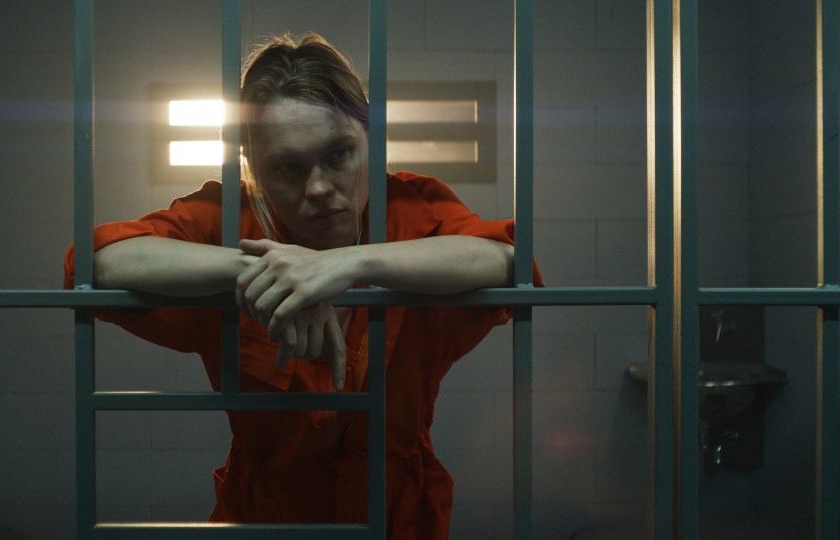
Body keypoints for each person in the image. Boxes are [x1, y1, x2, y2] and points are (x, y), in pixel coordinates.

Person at [63, 32, 543, 539]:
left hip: (399, 516)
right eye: (288, 167)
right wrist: (260, 270)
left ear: (370, 141)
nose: (318, 188)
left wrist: (348, 264)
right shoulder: (231, 217)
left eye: (339, 154)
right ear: (253, 171)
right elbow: (95, 262)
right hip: (265, 518)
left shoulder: (409, 207)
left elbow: (507, 261)